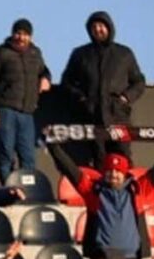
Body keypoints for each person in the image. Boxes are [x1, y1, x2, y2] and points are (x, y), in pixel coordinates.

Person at [55, 11, 146, 159]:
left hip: (118, 116)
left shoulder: (124, 54)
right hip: (91, 117)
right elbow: (66, 82)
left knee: (122, 158)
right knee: (98, 160)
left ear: (109, 27)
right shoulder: (80, 54)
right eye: (94, 27)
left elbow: (139, 82)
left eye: (101, 26)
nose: (98, 29)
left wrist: (125, 98)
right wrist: (81, 99)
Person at [0, 18, 51, 183]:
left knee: (28, 156)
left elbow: (44, 71)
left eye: (25, 34)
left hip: (27, 113)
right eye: (18, 33)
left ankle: (28, 191)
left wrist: (45, 78)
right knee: (6, 155)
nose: (21, 37)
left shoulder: (35, 53)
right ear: (12, 34)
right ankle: (9, 190)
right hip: (6, 111)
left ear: (31, 37)